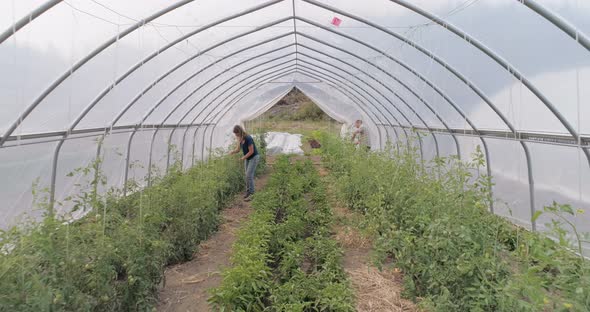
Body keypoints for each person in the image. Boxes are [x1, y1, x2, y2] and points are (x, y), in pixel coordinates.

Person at [229, 125, 259, 201]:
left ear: (240, 131)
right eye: (235, 134)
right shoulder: (240, 139)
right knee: (247, 175)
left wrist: (243, 158)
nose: (236, 135)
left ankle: (252, 194)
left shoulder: (248, 138)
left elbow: (251, 151)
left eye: (237, 133)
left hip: (254, 157)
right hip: (248, 158)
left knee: (249, 175)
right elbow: (238, 149)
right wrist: (232, 152)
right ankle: (248, 191)